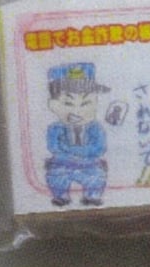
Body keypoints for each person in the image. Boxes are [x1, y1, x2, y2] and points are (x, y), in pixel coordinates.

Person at [44, 62, 110, 206]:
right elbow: (54, 147)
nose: (77, 111)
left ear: (96, 103)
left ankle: (92, 196)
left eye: (85, 103)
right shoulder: (55, 128)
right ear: (53, 105)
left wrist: (71, 151)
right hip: (62, 165)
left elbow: (99, 148)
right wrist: (81, 152)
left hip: (90, 166)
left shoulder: (96, 128)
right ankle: (61, 196)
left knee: (97, 176)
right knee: (55, 176)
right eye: (68, 104)